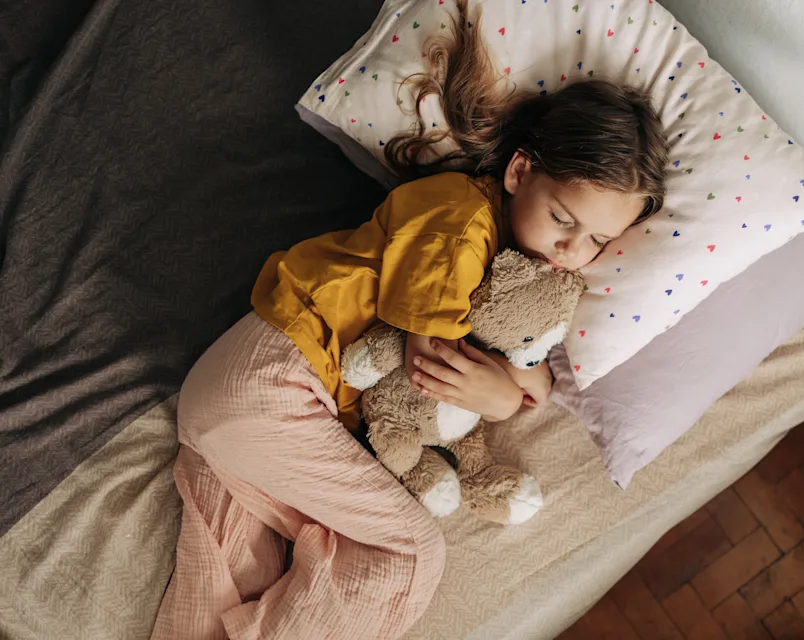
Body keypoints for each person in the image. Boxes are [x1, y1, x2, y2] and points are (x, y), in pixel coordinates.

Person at [151, 1, 669, 638]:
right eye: (563, 219)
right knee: (408, 554)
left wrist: (517, 375)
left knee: (230, 581)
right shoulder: (459, 221)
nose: (570, 250)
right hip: (276, 381)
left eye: (596, 241)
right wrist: (506, 394)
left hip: (242, 403)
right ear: (519, 171)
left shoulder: (517, 272)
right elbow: (430, 366)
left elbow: (511, 352)